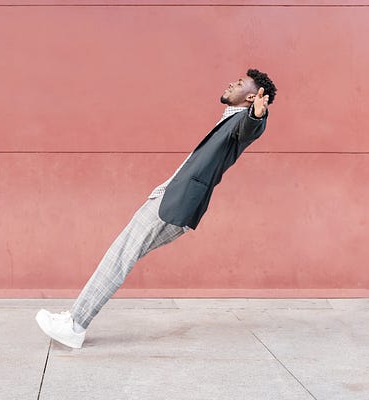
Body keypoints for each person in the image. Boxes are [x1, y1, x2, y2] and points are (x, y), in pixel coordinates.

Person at [35, 68, 277, 348]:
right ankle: (76, 319)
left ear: (251, 97)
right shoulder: (229, 118)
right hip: (170, 197)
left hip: (175, 203)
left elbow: (251, 128)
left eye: (239, 83)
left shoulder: (241, 122)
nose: (231, 83)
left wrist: (257, 116)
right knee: (120, 256)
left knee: (119, 256)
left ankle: (75, 324)